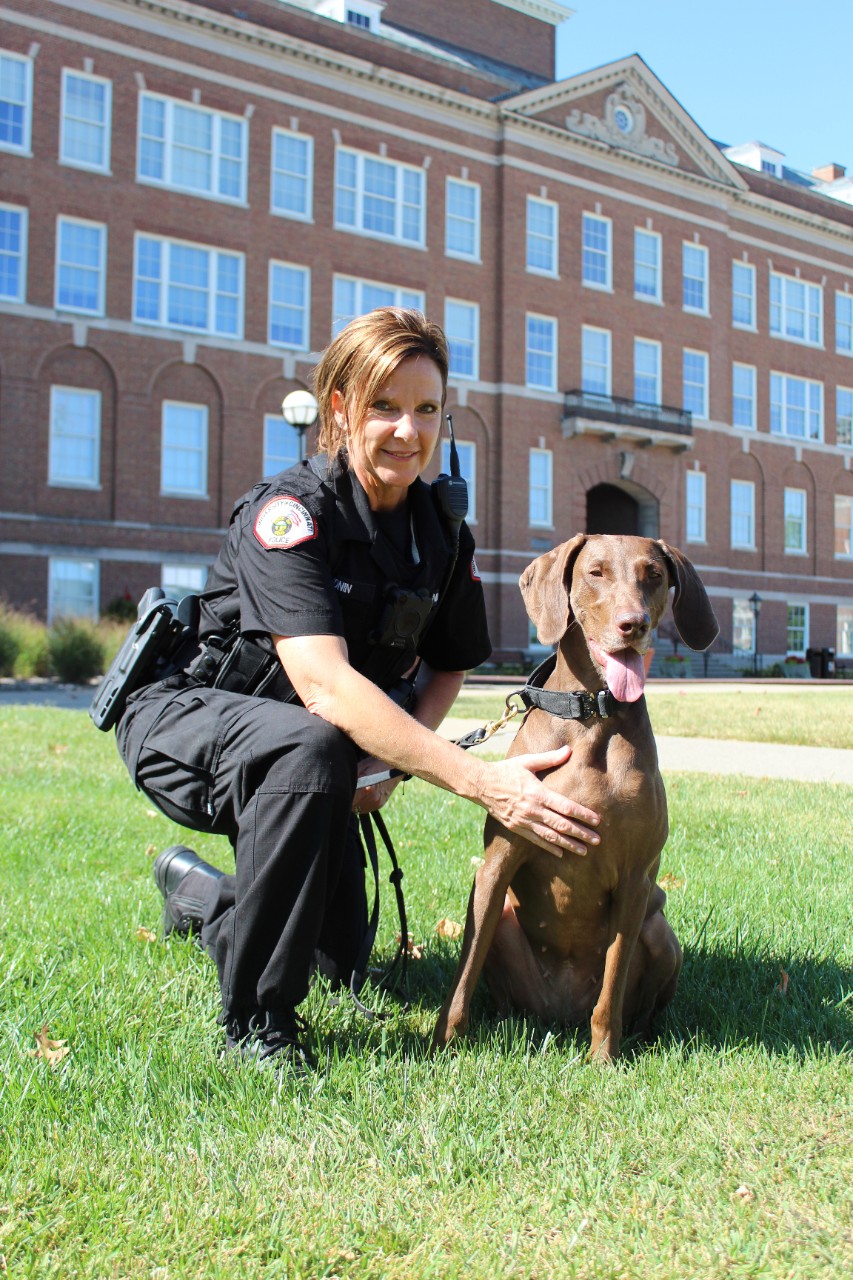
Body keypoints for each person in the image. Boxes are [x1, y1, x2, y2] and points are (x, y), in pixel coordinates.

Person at [114, 308, 601, 1071]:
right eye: (383, 406)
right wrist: (481, 783)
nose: (407, 431)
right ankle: (256, 1025)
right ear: (338, 408)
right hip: (186, 720)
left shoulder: (440, 532)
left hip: (309, 754)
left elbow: (448, 664)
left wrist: (391, 765)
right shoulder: (289, 516)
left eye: (426, 409)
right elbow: (326, 686)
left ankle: (200, 897)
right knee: (310, 744)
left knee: (339, 962)